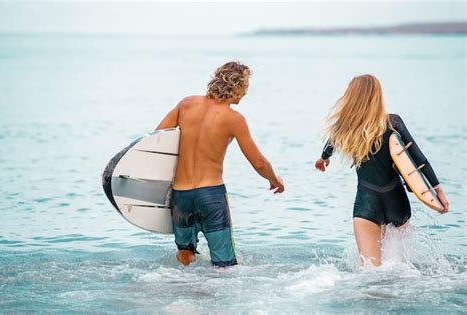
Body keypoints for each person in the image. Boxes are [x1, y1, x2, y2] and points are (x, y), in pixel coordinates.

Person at [156, 61, 285, 267]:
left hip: (181, 195)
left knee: (185, 254)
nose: (245, 94)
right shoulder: (234, 119)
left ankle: (184, 294)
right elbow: (258, 162)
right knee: (224, 265)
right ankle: (216, 297)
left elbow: (157, 139)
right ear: (237, 87)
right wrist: (274, 179)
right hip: (211, 196)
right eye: (245, 88)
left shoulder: (186, 104)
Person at [314, 74, 449, 266]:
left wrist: (323, 159)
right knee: (395, 266)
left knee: (371, 271)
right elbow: (419, 158)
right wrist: (438, 191)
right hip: (397, 202)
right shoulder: (393, 122)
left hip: (367, 204)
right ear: (377, 96)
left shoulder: (345, 127)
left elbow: (330, 145)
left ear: (350, 97)